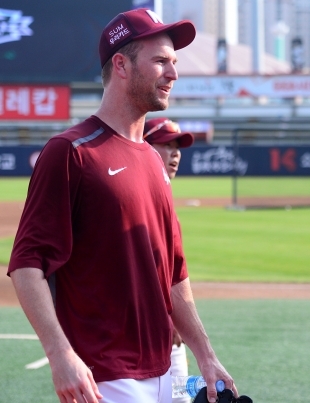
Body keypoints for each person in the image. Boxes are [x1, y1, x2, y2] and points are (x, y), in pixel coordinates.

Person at [8, 8, 234, 403]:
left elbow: (174, 275)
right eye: (161, 61)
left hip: (166, 370)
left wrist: (206, 355)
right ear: (121, 65)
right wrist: (60, 354)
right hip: (106, 378)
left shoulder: (152, 159)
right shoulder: (69, 151)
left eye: (175, 62)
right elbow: (28, 265)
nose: (173, 73)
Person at [144, 117, 195, 403]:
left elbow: (170, 271)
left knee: (180, 398)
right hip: (141, 335)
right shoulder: (134, 196)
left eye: (178, 147)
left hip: (169, 335)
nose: (175, 153)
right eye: (166, 145)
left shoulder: (164, 196)